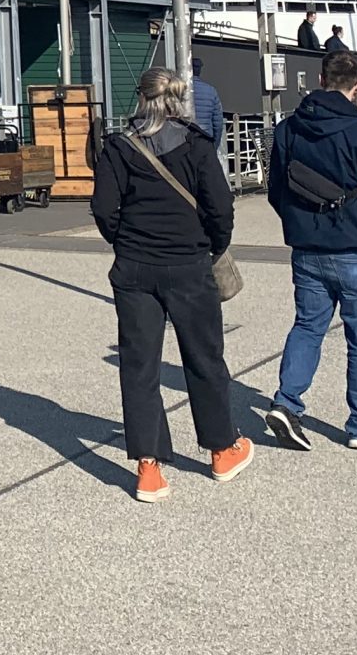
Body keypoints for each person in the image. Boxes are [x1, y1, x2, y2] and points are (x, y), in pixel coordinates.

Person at [89, 69, 250, 502]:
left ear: (141, 98)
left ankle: (148, 467)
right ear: (178, 99)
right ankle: (221, 450)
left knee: (139, 365)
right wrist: (212, 245)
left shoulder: (119, 147)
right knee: (204, 358)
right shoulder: (196, 145)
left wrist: (124, 240)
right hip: (189, 263)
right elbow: (221, 208)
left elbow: (104, 209)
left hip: (135, 267)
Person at [261, 51, 357, 453]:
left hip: (307, 247)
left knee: (307, 327)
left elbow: (276, 189)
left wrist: (300, 224)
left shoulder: (289, 130)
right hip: (355, 246)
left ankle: (287, 402)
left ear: (321, 79)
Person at [188, 56, 225, 146]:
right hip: (205, 139)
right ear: (199, 70)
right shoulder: (211, 91)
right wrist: (214, 145)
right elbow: (218, 123)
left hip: (184, 140)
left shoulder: (180, 89)